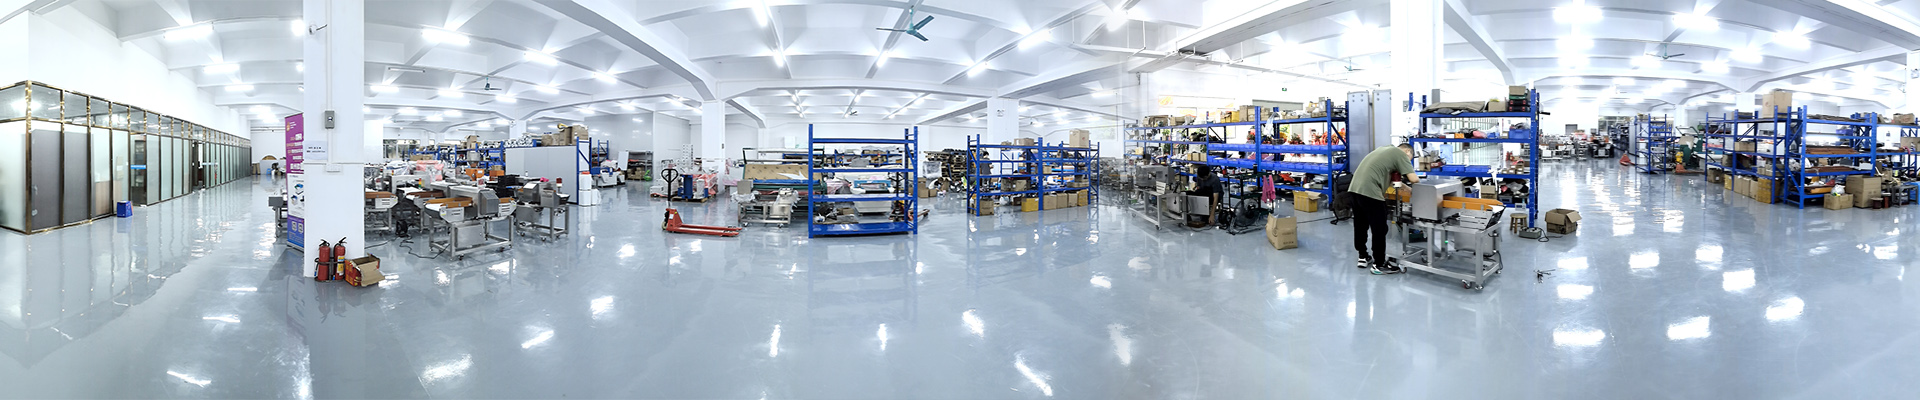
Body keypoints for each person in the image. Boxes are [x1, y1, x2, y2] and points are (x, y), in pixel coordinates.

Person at [1348, 143, 1417, 274]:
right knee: (1380, 228)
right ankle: (1379, 264)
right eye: (1410, 160)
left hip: (1354, 189)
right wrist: (1418, 188)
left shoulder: (1384, 150)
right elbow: (1414, 179)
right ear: (1408, 152)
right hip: (1370, 191)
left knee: (1361, 224)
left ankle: (1363, 256)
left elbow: (1392, 180)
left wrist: (1408, 189)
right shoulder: (1401, 154)